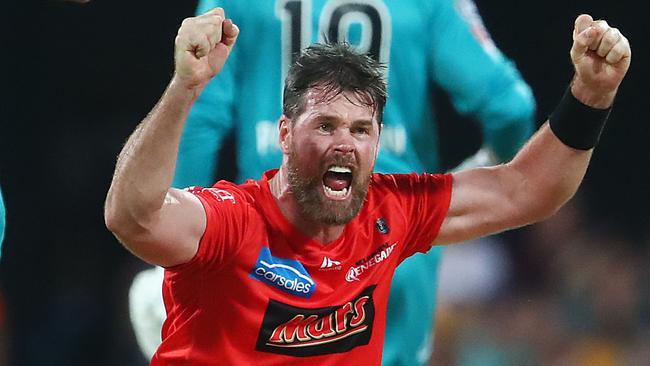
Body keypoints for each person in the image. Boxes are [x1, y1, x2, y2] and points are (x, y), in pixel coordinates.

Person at [105, 8, 630, 365]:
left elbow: (528, 190)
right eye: (325, 126)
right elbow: (132, 217)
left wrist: (590, 94)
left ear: (377, 144)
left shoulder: (391, 211)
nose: (345, 145)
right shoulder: (231, 220)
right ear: (285, 135)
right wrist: (183, 88)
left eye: (360, 131)